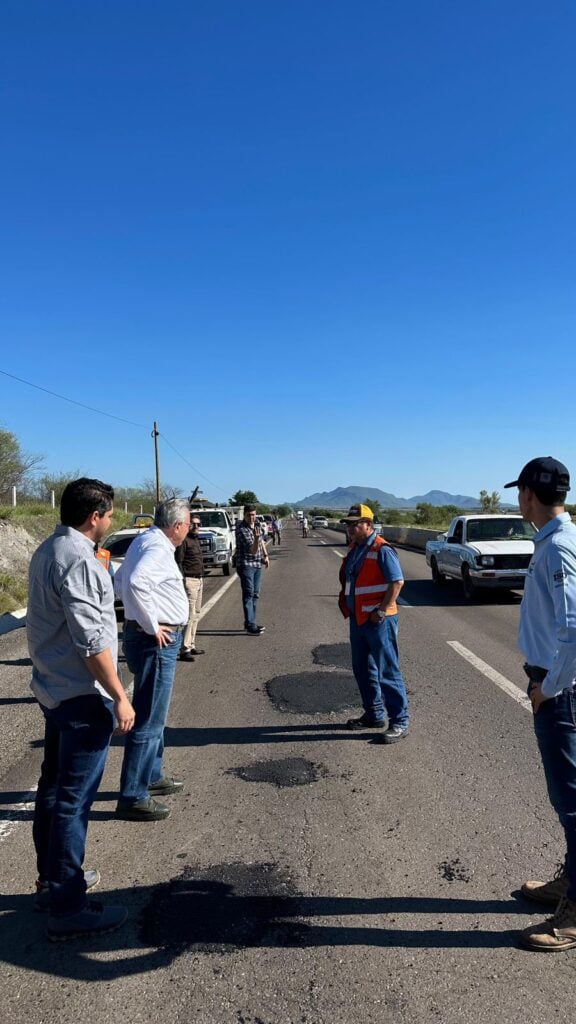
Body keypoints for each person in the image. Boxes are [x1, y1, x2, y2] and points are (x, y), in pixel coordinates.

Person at [27, 477, 135, 941]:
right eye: (110, 515)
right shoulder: (80, 562)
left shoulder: (47, 550)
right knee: (74, 801)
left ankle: (52, 883)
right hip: (82, 695)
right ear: (95, 517)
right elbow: (92, 642)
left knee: (53, 791)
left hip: (53, 690)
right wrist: (119, 695)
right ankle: (68, 907)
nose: (111, 522)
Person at [503, 457, 576, 952]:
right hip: (556, 683)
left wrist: (548, 687)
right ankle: (571, 881)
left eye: (520, 492)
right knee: (566, 797)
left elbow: (573, 630)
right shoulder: (552, 543)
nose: (518, 499)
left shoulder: (559, 549)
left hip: (561, 691)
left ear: (530, 494)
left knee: (572, 800)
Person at [114, 498, 190, 822]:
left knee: (155, 713)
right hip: (155, 642)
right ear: (177, 526)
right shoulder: (157, 549)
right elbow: (134, 583)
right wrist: (151, 624)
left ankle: (152, 775)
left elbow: (119, 582)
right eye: (187, 524)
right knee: (148, 718)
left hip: (143, 636)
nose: (188, 529)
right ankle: (133, 795)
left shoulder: (143, 541)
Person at [338, 503, 409, 743]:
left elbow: (397, 582)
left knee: (387, 671)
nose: (350, 528)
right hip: (359, 620)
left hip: (379, 621)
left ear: (368, 525)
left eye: (354, 524)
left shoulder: (382, 549)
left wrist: (381, 610)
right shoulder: (355, 548)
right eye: (348, 524)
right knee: (362, 670)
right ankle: (374, 714)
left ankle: (399, 722)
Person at [175, 514, 205, 662]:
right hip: (189, 580)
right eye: (193, 524)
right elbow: (179, 562)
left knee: (196, 614)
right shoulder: (184, 541)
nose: (196, 527)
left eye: (199, 524)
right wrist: (183, 580)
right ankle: (184, 648)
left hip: (199, 580)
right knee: (189, 615)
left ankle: (191, 644)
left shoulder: (195, 540)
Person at [235, 504, 269, 635]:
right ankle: (250, 624)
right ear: (244, 515)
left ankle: (251, 621)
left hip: (257, 565)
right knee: (248, 594)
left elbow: (261, 542)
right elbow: (253, 550)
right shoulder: (241, 529)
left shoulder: (257, 525)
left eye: (253, 514)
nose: (252, 517)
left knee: (255, 594)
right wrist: (255, 538)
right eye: (249, 515)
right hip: (246, 565)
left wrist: (266, 556)